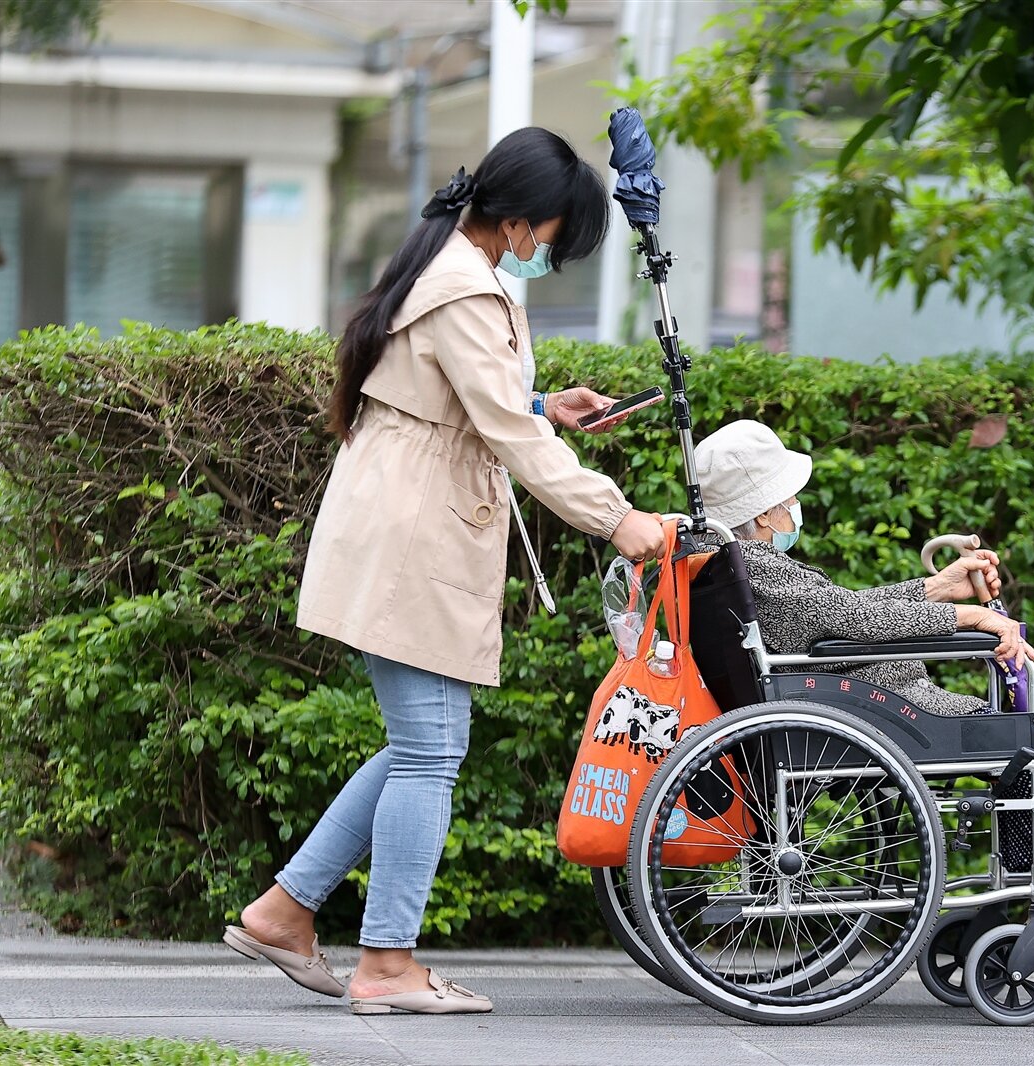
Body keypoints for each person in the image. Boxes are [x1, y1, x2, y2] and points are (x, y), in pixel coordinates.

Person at [222, 129, 667, 1016]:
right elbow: (505, 435)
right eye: (556, 235)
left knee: (417, 746)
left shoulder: (454, 269)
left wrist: (545, 405)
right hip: (412, 537)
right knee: (430, 752)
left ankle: (284, 911)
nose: (553, 254)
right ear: (523, 221)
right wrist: (619, 520)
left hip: (405, 524)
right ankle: (385, 965)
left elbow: (469, 402)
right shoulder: (466, 286)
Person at [694, 419, 1034, 994]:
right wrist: (973, 617)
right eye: (789, 499)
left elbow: (845, 611)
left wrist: (941, 588)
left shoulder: (739, 567)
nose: (796, 507)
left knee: (1028, 747)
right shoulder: (762, 568)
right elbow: (853, 621)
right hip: (879, 713)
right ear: (763, 515)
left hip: (854, 708)